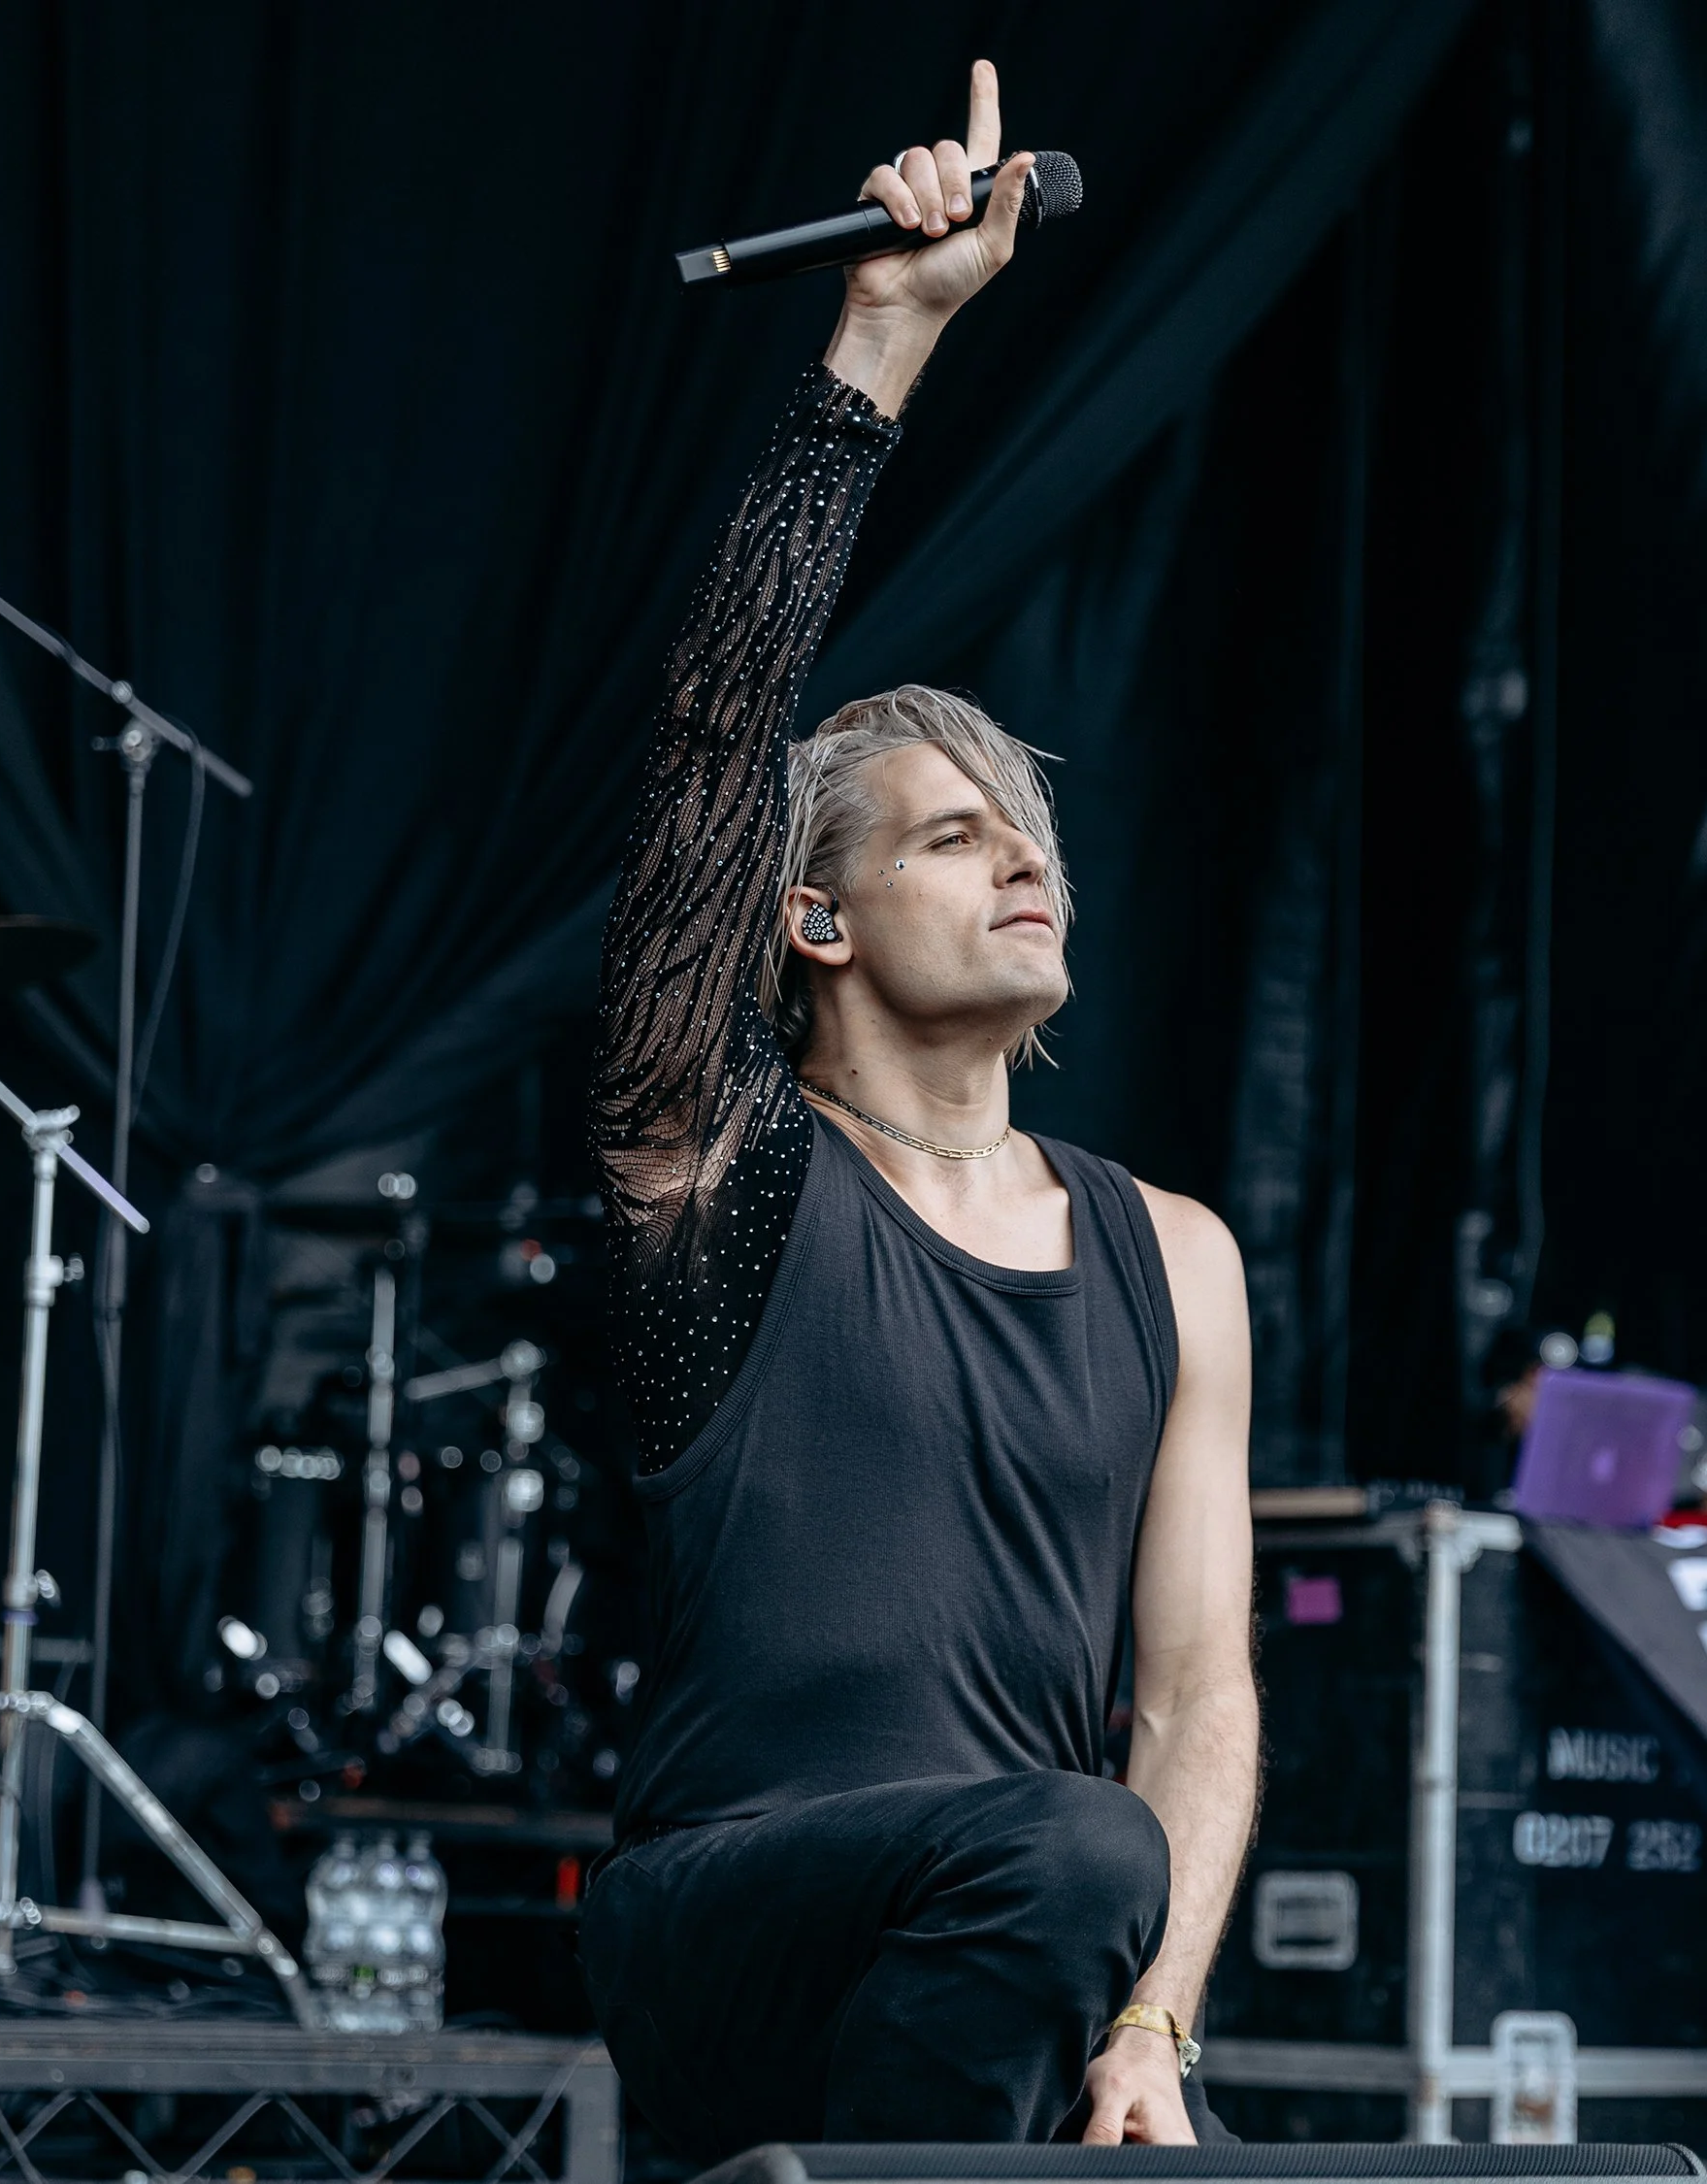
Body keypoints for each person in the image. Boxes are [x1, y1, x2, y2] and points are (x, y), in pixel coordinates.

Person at [580, 61, 1258, 2158]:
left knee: (1084, 1878)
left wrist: (1157, 2027)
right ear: (813, 920)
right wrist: (882, 339)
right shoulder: (724, 1165)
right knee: (1063, 1849)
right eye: (954, 838)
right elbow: (712, 741)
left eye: (1033, 834)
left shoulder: (1176, 1253)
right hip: (730, 1910)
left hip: (1041, 1934)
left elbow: (1201, 1698)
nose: (1022, 863)